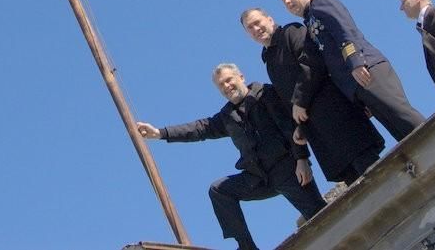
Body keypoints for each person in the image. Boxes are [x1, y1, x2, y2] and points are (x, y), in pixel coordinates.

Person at [136, 63, 325, 250]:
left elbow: (289, 128)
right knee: (219, 190)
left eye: (228, 80)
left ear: (241, 77)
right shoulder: (227, 116)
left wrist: (301, 159)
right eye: (221, 85)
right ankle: (246, 247)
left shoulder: (265, 95)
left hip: (288, 171)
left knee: (321, 217)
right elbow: (199, 129)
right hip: (257, 178)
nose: (226, 86)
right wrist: (160, 133)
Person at [239, 7, 384, 184]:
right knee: (354, 182)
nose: (256, 29)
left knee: (374, 173)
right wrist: (300, 129)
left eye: (257, 22)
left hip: (337, 114)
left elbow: (312, 64)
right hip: (317, 131)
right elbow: (287, 101)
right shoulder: (269, 60)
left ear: (269, 19)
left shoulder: (291, 32)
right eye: (250, 28)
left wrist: (300, 102)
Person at [278, 0, 425, 141]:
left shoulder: (320, 2)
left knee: (401, 115)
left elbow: (344, 30)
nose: (288, 2)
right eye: (284, 2)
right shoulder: (309, 21)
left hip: (367, 69)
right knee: (397, 129)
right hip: (356, 84)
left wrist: (355, 61)